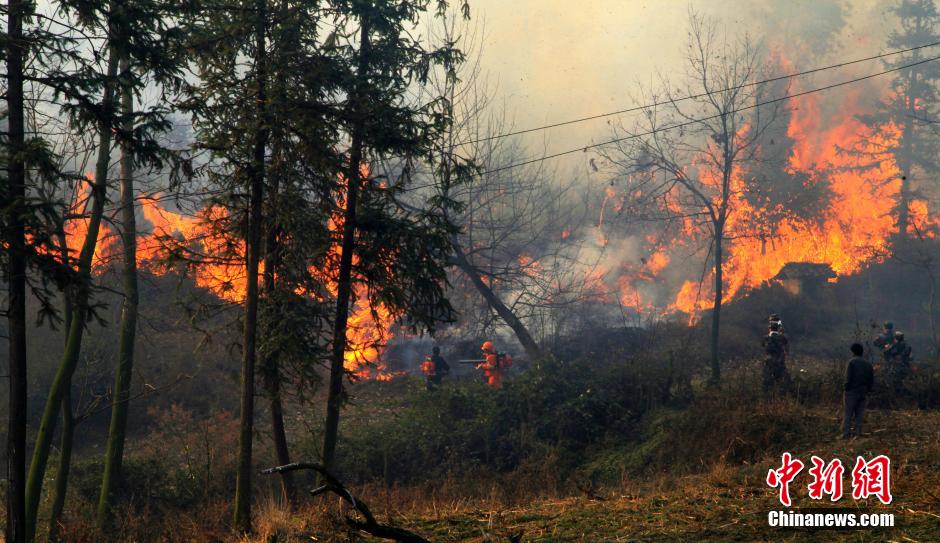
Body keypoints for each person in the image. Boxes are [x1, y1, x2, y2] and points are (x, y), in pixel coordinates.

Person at [843, 343, 874, 439]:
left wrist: (846, 388)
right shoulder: (868, 364)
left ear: (853, 352)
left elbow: (848, 378)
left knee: (848, 413)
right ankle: (857, 433)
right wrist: (868, 390)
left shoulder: (851, 362)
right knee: (859, 414)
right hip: (863, 392)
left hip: (851, 392)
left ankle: (846, 434)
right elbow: (871, 380)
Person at [761, 321, 790, 390]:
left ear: (769, 329)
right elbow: (786, 344)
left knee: (767, 382)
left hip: (769, 361)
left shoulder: (766, 338)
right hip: (780, 361)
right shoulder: (782, 337)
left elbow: (762, 345)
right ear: (778, 328)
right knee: (782, 382)